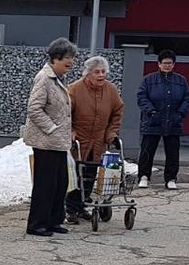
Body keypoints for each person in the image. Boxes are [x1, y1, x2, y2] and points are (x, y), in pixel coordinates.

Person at [20, 37, 79, 237]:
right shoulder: (44, 78)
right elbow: (34, 109)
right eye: (67, 58)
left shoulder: (58, 79)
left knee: (60, 183)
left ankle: (54, 220)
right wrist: (52, 129)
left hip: (59, 143)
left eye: (72, 58)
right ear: (56, 58)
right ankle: (37, 224)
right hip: (45, 142)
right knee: (45, 184)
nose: (70, 62)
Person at [67, 55, 125, 220]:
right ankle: (71, 209)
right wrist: (70, 130)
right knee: (76, 175)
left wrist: (111, 133)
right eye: (97, 72)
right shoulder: (74, 89)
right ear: (88, 73)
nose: (101, 75)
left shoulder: (111, 90)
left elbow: (117, 112)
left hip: (98, 140)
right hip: (79, 140)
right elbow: (65, 113)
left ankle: (82, 206)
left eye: (103, 72)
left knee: (90, 175)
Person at [135, 49, 189, 190]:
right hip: (152, 120)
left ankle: (171, 178)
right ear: (159, 64)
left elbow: (188, 98)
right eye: (165, 63)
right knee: (147, 150)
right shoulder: (149, 80)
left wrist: (180, 114)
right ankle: (144, 176)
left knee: (173, 152)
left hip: (173, 121)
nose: (167, 65)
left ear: (174, 64)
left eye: (170, 63)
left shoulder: (181, 81)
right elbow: (142, 97)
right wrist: (151, 111)